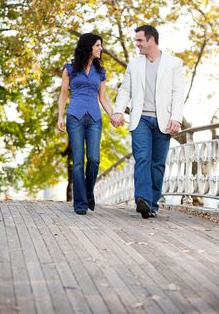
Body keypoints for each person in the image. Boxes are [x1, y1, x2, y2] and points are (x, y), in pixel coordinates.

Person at [111, 25, 185, 219]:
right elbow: (125, 90)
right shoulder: (134, 65)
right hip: (140, 119)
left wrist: (176, 118)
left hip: (163, 120)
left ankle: (152, 204)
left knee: (158, 164)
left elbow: (178, 93)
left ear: (151, 40)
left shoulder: (174, 64)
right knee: (143, 157)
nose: (137, 44)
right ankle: (142, 199)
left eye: (139, 40)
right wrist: (118, 111)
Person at [57, 33, 113, 215]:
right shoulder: (70, 69)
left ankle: (89, 193)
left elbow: (103, 97)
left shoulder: (100, 72)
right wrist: (60, 117)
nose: (100, 49)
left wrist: (113, 115)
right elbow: (63, 94)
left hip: (95, 119)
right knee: (78, 162)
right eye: (98, 45)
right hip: (75, 117)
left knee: (94, 159)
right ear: (89, 46)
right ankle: (80, 203)